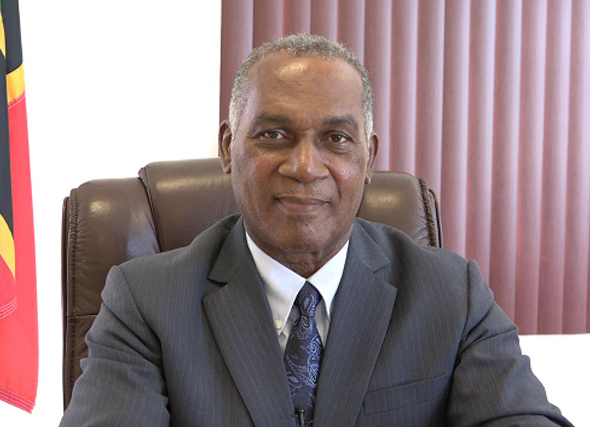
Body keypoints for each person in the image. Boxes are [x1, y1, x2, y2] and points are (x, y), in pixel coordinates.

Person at [61, 34, 571, 426]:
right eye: (274, 134)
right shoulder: (146, 301)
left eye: (336, 138)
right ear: (226, 147)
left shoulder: (450, 294)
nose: (306, 166)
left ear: (368, 157)